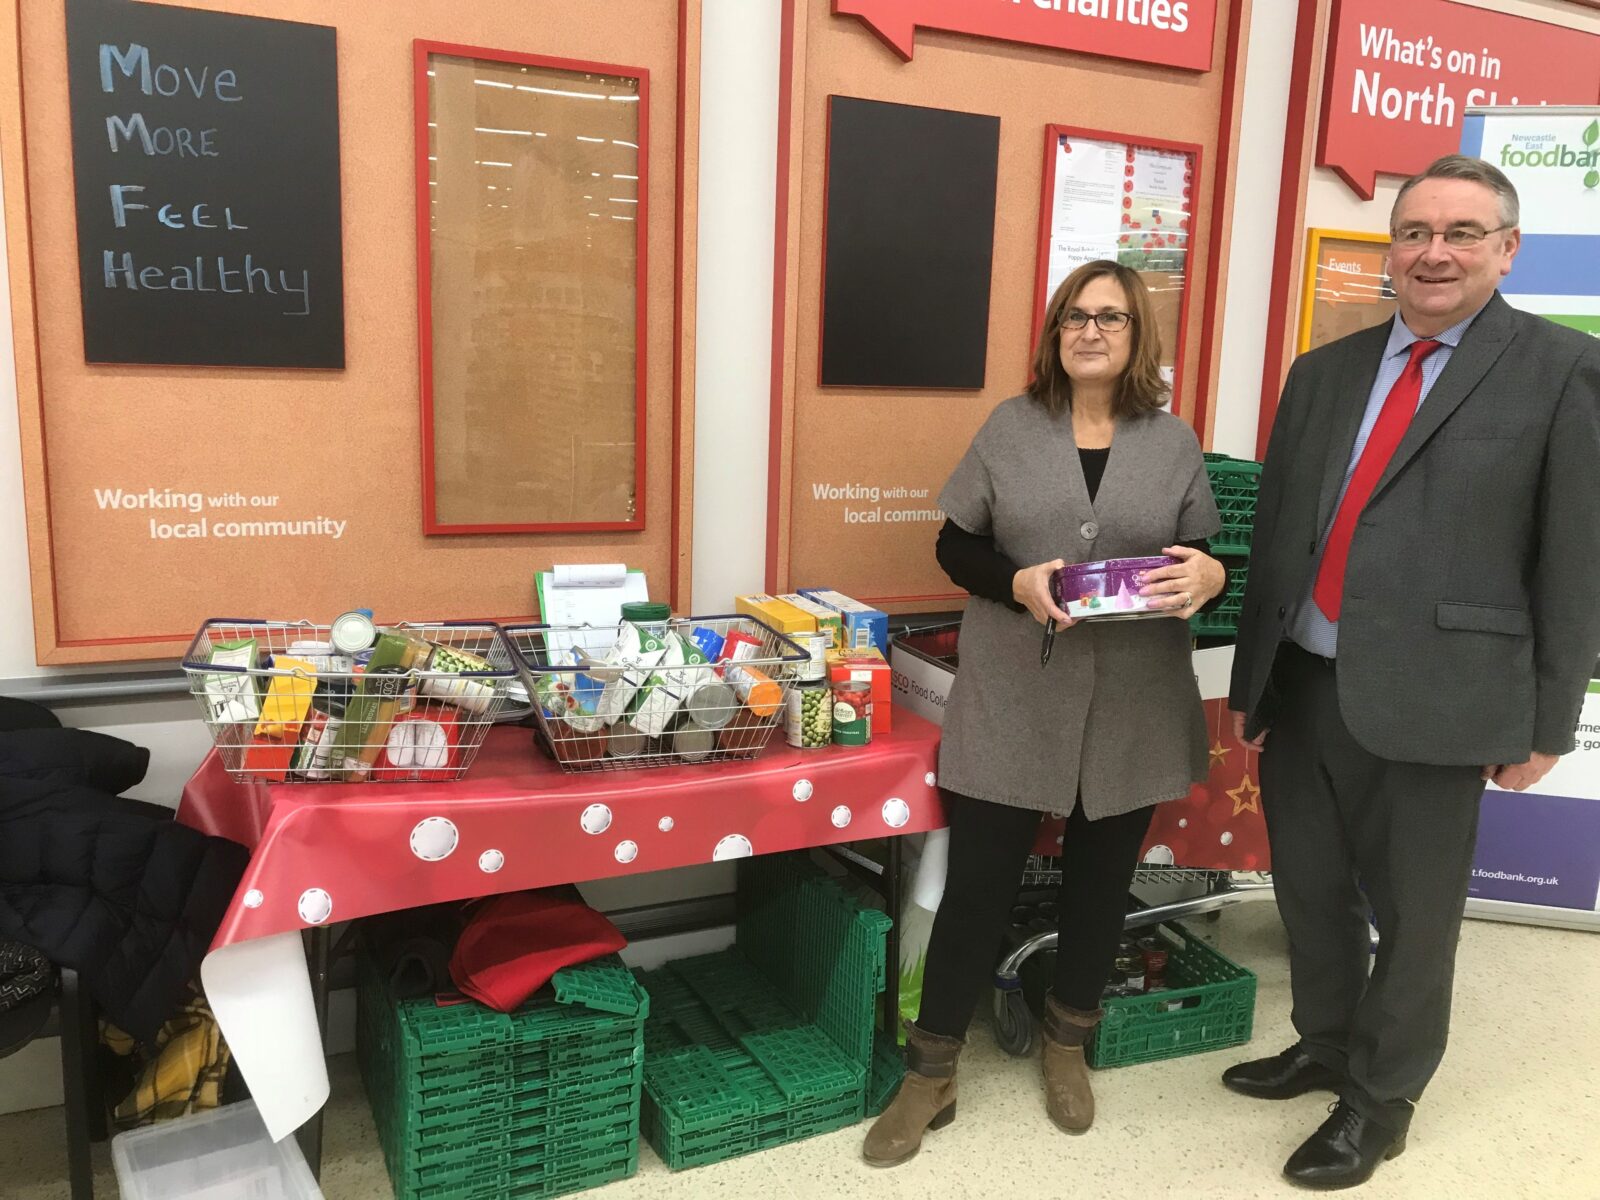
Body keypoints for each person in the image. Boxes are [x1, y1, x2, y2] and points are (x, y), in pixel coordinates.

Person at [1225, 154, 1600, 1189]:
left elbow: (1575, 561)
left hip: (1442, 698)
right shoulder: (1323, 373)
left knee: (1417, 913)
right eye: (1414, 232)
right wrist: (1253, 685)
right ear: (1387, 248)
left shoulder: (1562, 370)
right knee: (1305, 890)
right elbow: (1282, 545)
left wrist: (1548, 720)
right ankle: (1328, 1042)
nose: (1432, 252)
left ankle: (1379, 1100)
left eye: (1461, 233)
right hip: (1304, 681)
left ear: (1506, 249)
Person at [864, 260, 1228, 1167]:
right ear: (1054, 333)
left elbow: (1203, 555)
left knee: (1101, 885)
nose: (1090, 330)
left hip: (1136, 694)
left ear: (1137, 334)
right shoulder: (1010, 427)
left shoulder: (1173, 440)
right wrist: (1017, 581)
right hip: (1015, 688)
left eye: (1109, 316)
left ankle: (1067, 1042)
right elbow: (956, 542)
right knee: (978, 887)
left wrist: (1213, 577)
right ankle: (932, 1069)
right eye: (1074, 316)